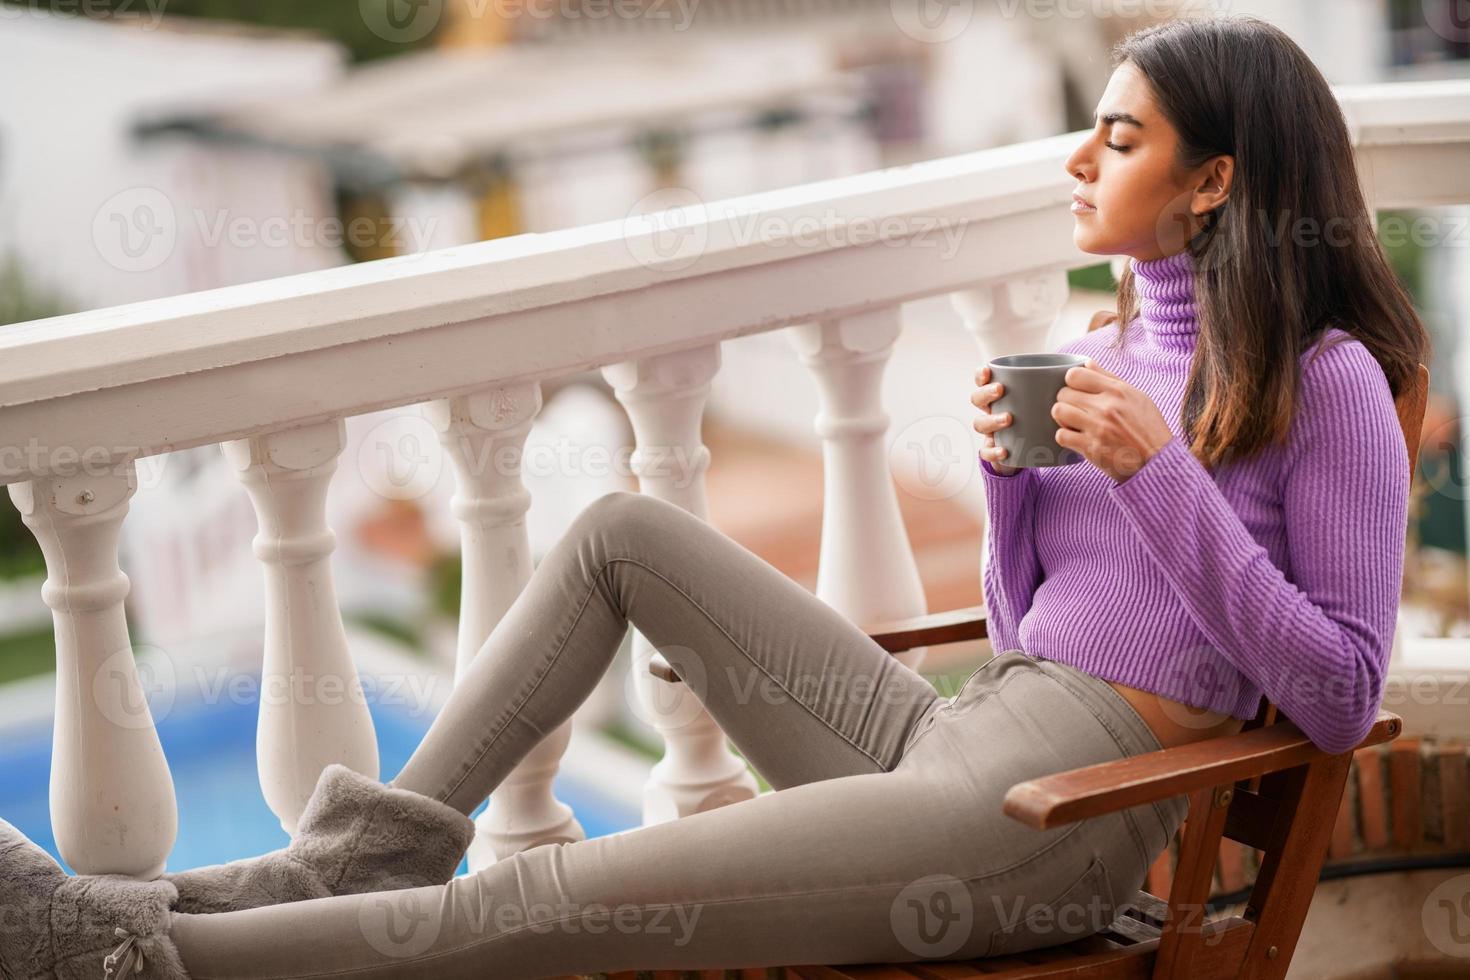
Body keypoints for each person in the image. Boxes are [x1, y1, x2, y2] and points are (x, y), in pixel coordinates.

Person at [0, 13, 1430, 980]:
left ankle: (125, 954)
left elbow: (1332, 698)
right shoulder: (1111, 345)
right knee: (623, 533)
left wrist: (1160, 477)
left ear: (1215, 181)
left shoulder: (1332, 386)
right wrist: (1009, 490)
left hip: (1046, 823)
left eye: (1118, 138)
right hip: (963, 731)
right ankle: (359, 851)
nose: (1077, 158)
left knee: (546, 895)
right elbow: (1026, 626)